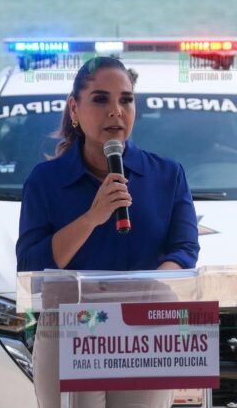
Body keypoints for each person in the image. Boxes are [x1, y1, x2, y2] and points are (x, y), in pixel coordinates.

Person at [16, 57, 199, 408]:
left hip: (145, 325)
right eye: (101, 99)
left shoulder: (167, 175)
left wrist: (146, 290)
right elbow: (30, 265)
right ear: (75, 108)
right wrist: (93, 216)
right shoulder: (45, 181)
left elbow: (184, 249)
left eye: (126, 100)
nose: (116, 111)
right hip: (70, 325)